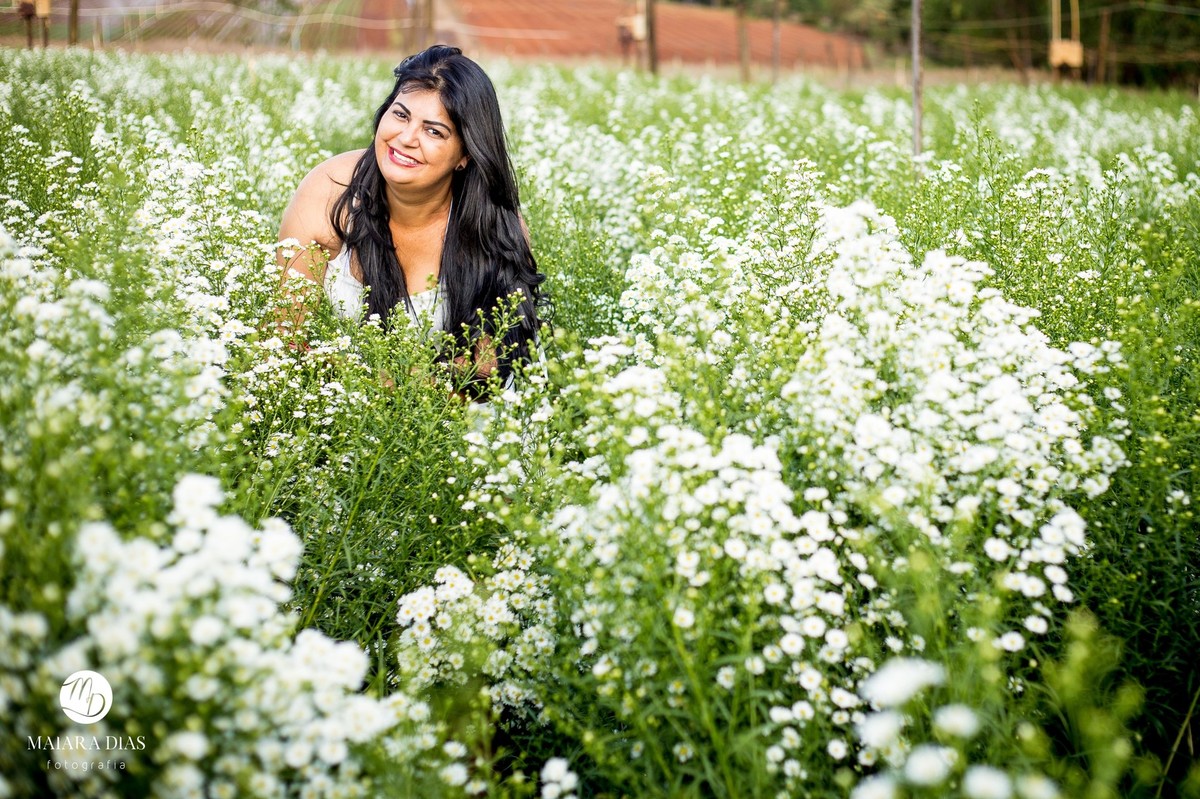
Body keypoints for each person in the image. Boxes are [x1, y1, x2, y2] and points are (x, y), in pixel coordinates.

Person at [276, 44, 546, 395]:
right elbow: (284, 339)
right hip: (345, 409)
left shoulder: (492, 224)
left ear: (465, 154)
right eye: (401, 115)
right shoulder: (330, 191)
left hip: (466, 417)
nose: (405, 139)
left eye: (434, 131)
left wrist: (392, 398)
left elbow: (486, 374)